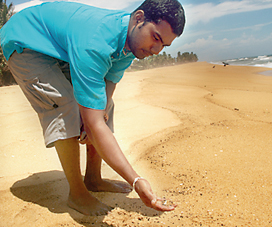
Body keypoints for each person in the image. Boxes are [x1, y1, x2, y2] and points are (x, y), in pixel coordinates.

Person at [0, 0, 185, 216]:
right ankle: (77, 194)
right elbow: (93, 123)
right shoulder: (96, 41)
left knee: (104, 105)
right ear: (139, 18)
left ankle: (93, 178)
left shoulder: (132, 44)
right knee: (65, 105)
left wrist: (99, 113)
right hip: (25, 41)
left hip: (57, 48)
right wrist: (136, 180)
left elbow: (107, 88)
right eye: (156, 38)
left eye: (164, 45)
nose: (156, 50)